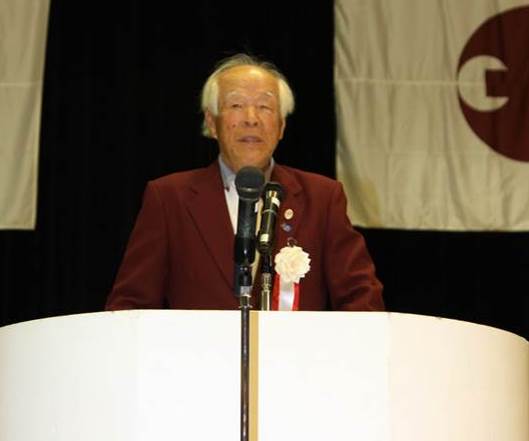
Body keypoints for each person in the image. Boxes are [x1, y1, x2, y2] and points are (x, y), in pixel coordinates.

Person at [105, 53, 384, 311]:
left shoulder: (322, 198)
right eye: (236, 105)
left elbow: (362, 300)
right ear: (212, 122)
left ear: (281, 126)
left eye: (264, 106)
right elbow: (130, 305)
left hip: (293, 350)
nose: (251, 119)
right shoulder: (169, 198)